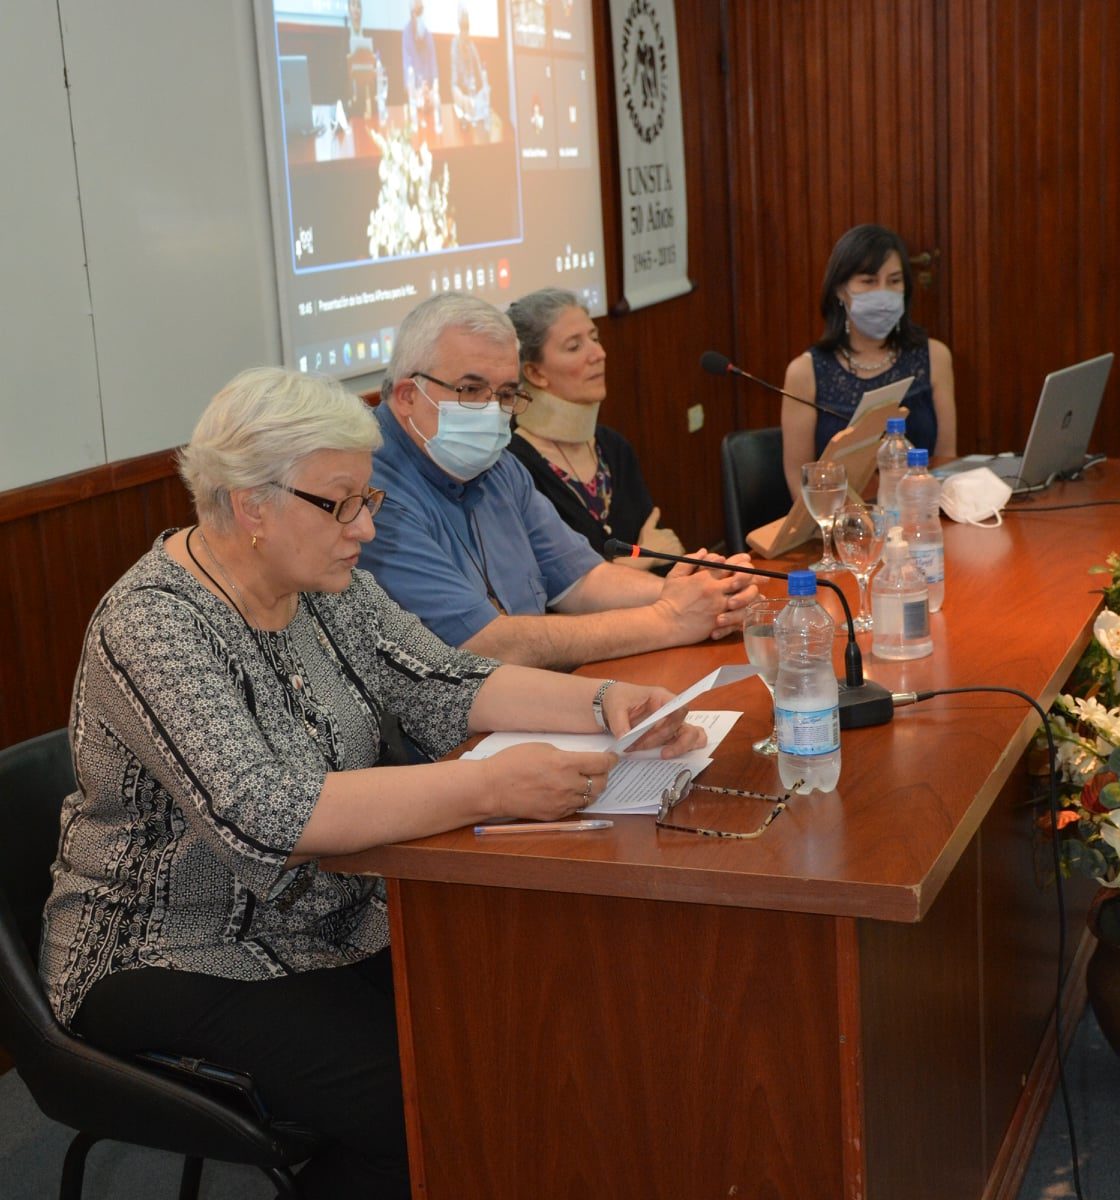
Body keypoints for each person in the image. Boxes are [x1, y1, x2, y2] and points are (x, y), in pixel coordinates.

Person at [38, 367, 703, 1199]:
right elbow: (265, 815)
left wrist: (605, 702)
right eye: (341, 504)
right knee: (427, 1104)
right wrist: (489, 788)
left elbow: (444, 680)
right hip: (168, 950)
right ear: (251, 506)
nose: (364, 527)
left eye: (369, 499)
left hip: (332, 913)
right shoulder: (155, 623)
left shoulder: (325, 586)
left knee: (518, 1027)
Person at [361, 292, 758, 670]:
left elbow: (582, 579)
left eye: (505, 394)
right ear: (408, 395)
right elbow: (488, 645)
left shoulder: (499, 467)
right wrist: (669, 617)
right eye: (471, 389)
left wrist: (695, 593)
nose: (491, 411)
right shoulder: (369, 493)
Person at [506, 286, 684, 570]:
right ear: (535, 373)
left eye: (595, 338)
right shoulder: (514, 468)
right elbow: (548, 586)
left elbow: (667, 553)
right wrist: (640, 561)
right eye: (574, 346)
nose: (599, 353)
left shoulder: (614, 447)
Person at [780, 223, 956, 501]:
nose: (883, 294)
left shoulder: (934, 356)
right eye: (869, 281)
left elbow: (946, 458)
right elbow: (797, 476)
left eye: (894, 281)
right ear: (840, 290)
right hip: (840, 520)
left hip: (921, 513)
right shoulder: (805, 372)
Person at [450, 3, 486, 119]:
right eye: (463, 27)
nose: (466, 31)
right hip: (462, 102)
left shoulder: (472, 46)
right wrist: (463, 100)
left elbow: (482, 77)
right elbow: (454, 85)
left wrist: (484, 93)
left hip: (474, 100)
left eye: (467, 27)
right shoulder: (454, 46)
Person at [401, 0, 437, 105]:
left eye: (422, 10)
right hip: (415, 97)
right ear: (411, 14)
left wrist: (433, 92)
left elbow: (435, 74)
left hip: (429, 96)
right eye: (418, 11)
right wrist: (417, 93)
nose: (421, 15)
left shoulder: (428, 36)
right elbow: (407, 77)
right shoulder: (406, 34)